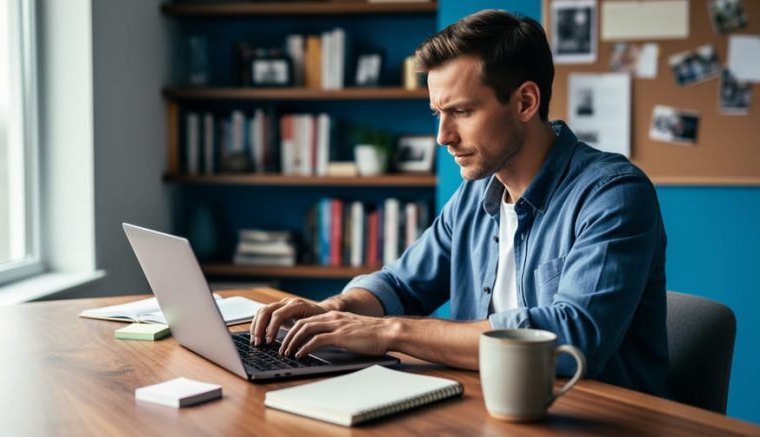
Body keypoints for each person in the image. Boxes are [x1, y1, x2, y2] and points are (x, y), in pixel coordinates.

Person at [250, 10, 669, 397]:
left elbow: (574, 337)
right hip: (486, 409)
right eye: (438, 114)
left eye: (462, 111)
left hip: (597, 417)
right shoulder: (475, 195)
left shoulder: (612, 194)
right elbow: (400, 285)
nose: (443, 136)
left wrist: (389, 332)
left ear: (525, 102)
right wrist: (334, 311)